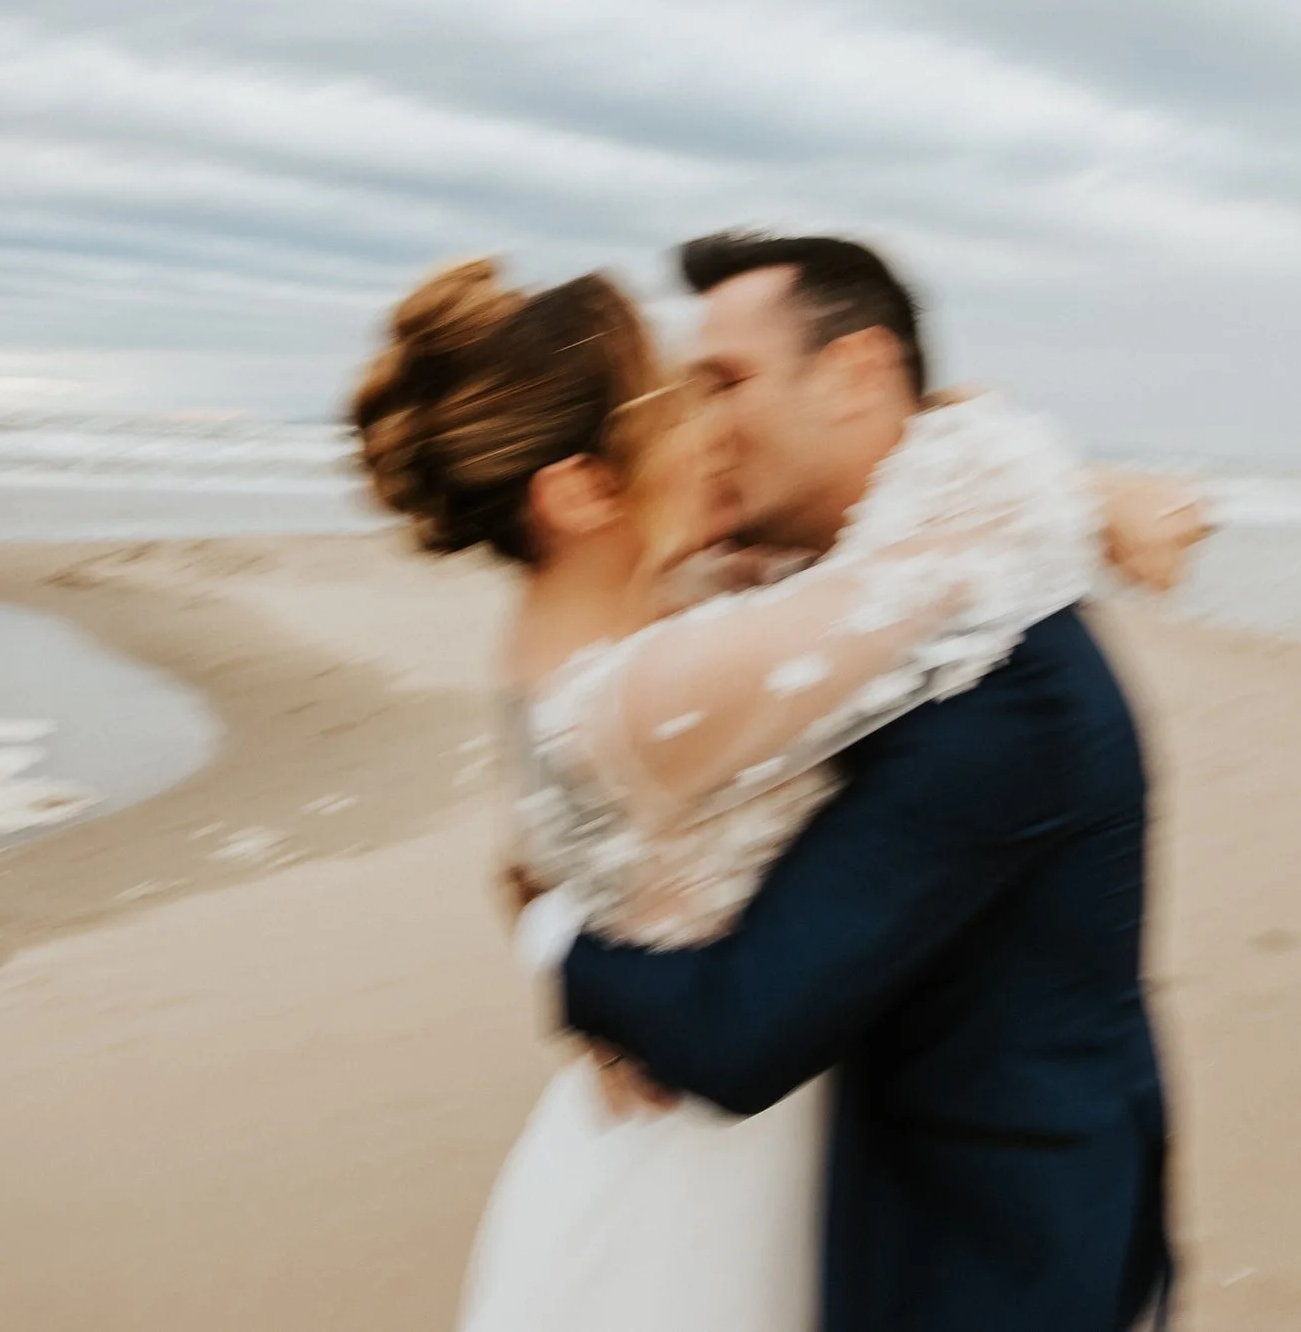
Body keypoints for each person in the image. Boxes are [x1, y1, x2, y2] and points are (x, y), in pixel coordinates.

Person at [348, 238, 1189, 1332]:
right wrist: (1096, 493)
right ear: (579, 489)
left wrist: (554, 929)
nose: (703, 423)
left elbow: (914, 576)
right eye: (676, 395)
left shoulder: (989, 678)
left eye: (724, 382)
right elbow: (935, 564)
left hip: (986, 1242)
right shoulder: (708, 644)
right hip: (732, 1180)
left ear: (851, 376)